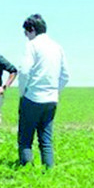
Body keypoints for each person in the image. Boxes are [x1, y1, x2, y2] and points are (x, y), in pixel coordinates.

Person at [17, 14, 69, 168]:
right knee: (46, 139)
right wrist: (54, 90)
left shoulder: (32, 45)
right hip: (51, 99)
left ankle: (27, 171)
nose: (26, 37)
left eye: (26, 33)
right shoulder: (57, 47)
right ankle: (49, 171)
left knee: (25, 139)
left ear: (31, 29)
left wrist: (23, 92)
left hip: (33, 97)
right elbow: (65, 75)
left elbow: (24, 71)